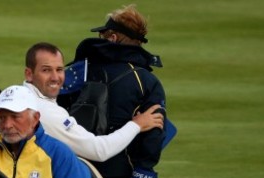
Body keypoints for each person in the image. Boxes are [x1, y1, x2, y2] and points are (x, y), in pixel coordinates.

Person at [67, 4, 167, 178]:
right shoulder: (146, 80)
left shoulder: (74, 71)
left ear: (111, 37)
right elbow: (155, 132)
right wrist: (144, 174)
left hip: (76, 177)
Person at [23, 42, 164, 163]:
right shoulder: (45, 111)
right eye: (46, 70)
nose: (55, 77)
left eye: (59, 69)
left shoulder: (21, 96)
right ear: (29, 74)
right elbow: (99, 151)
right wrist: (136, 125)